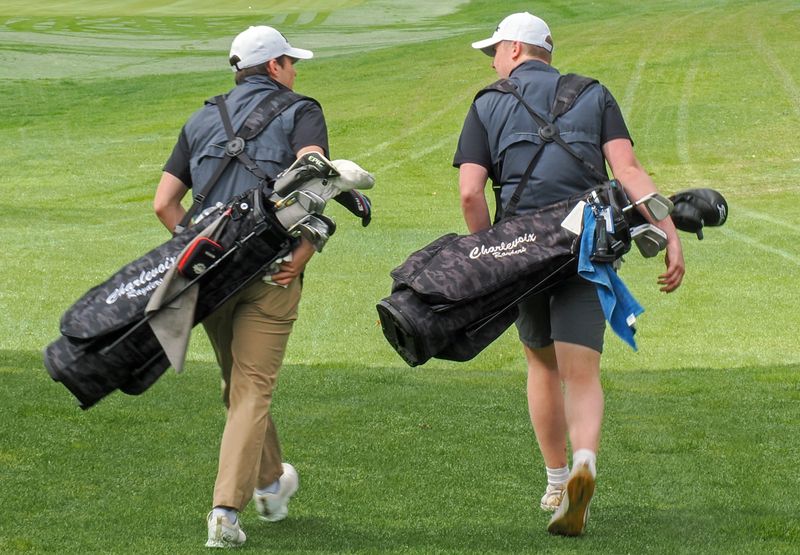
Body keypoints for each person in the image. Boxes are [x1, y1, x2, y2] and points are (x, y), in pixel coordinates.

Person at [453, 12, 685, 536]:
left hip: (523, 252)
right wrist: (669, 233)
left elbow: (470, 193)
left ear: (516, 49)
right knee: (582, 373)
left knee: (541, 366)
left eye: (495, 50)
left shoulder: (487, 102)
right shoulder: (594, 93)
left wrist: (490, 255)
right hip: (586, 246)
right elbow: (628, 171)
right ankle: (584, 463)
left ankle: (558, 482)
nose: (492, 61)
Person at [153, 25, 329, 548]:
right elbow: (314, 174)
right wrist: (306, 247)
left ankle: (271, 482)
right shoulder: (302, 111)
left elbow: (164, 203)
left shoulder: (202, 117)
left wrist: (200, 250)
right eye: (291, 63)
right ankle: (225, 512)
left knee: (239, 386)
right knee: (251, 388)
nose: (295, 71)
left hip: (211, 277)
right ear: (274, 66)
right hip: (272, 272)